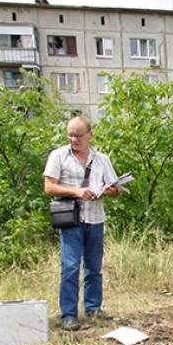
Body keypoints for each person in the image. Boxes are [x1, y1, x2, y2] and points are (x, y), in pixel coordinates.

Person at [43, 115, 119, 331]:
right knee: (70, 267)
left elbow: (115, 190)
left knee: (94, 267)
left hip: (95, 218)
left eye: (78, 135)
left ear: (90, 135)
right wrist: (76, 191)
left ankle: (93, 308)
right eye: (70, 135)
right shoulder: (58, 156)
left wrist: (106, 190)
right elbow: (49, 187)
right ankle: (68, 314)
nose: (74, 140)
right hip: (71, 219)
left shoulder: (102, 159)